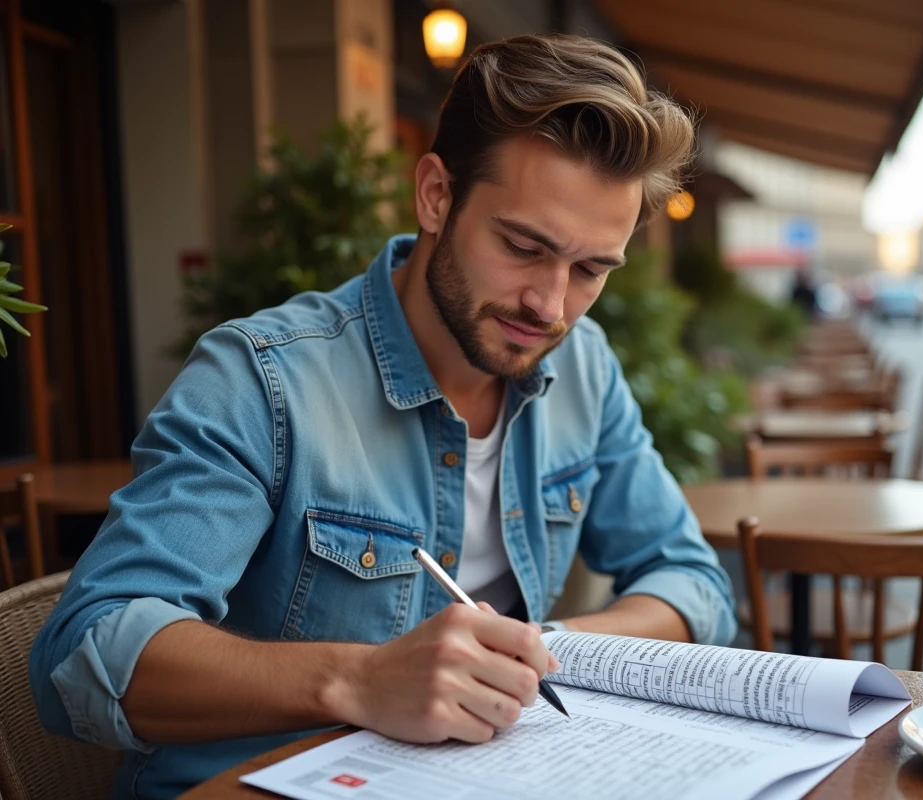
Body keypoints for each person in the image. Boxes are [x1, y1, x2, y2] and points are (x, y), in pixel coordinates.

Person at [30, 34, 736, 799]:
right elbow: (84, 655)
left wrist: (535, 651)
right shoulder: (265, 380)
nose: (551, 304)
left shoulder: (584, 366)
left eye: (592, 269)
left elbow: (692, 582)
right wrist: (358, 679)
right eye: (522, 246)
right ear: (436, 195)